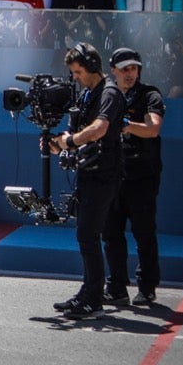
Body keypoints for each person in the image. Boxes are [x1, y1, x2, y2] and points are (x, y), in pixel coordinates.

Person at [49, 43, 124, 321]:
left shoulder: (109, 93)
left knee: (88, 235)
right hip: (88, 171)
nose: (76, 77)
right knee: (86, 235)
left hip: (104, 174)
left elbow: (99, 128)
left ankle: (93, 298)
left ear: (92, 66)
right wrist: (58, 142)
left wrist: (71, 140)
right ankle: (88, 291)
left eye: (78, 72)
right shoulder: (87, 94)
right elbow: (76, 130)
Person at [102, 47, 164, 308]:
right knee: (110, 233)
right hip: (112, 174)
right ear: (113, 70)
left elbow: (152, 129)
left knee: (143, 232)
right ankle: (116, 286)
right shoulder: (106, 94)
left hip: (142, 176)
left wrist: (126, 125)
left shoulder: (150, 94)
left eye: (134, 68)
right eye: (125, 69)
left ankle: (147, 287)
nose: (130, 74)